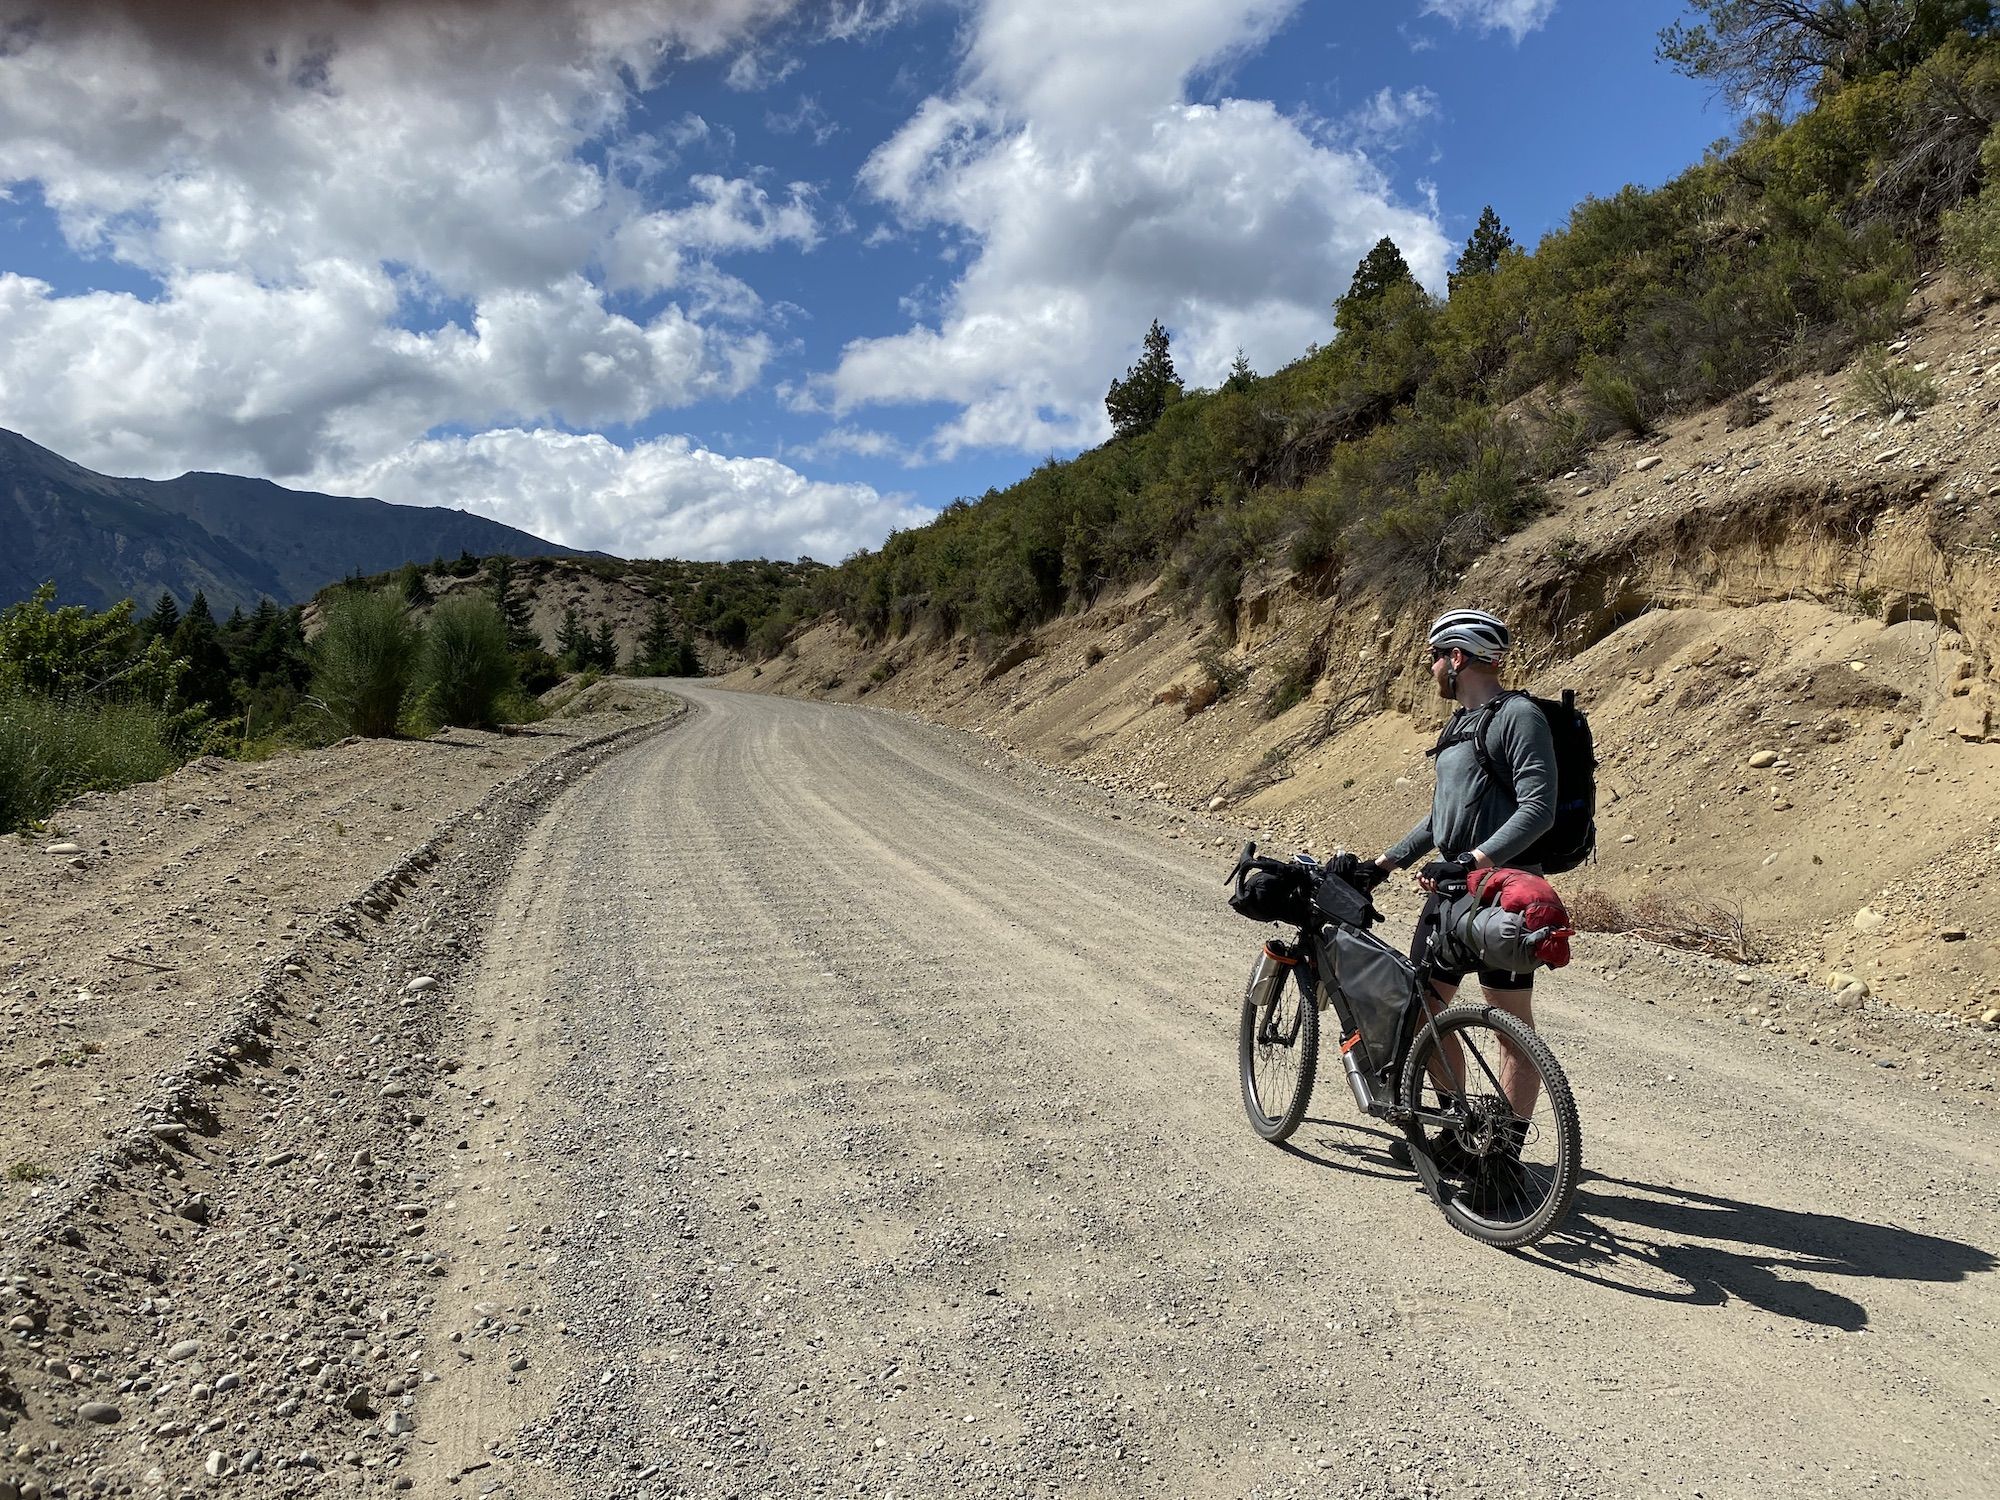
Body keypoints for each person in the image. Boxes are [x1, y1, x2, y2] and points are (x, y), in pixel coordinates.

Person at [1359, 607, 1556, 1162]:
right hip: (1451, 895)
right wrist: (1385, 863)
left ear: (1458, 657)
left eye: (1433, 658)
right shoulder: (1459, 726)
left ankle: (1503, 1153)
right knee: (1424, 1008)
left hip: (1508, 895)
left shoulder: (1519, 716)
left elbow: (1538, 809)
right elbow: (1439, 819)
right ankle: (1454, 1128)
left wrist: (1474, 858)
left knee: (1509, 1020)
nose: (1430, 669)